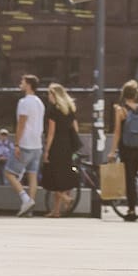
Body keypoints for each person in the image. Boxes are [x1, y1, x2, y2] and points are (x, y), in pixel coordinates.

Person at [111, 80, 138, 217]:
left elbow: (117, 132)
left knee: (128, 178)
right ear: (136, 94)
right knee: (133, 177)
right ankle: (132, 206)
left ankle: (131, 209)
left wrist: (112, 151)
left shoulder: (121, 110)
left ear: (123, 94)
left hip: (126, 148)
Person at [40, 82, 82, 217]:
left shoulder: (53, 110)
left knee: (51, 178)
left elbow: (51, 133)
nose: (48, 96)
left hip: (56, 146)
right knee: (61, 178)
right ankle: (56, 211)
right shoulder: (69, 109)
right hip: (67, 146)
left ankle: (65, 199)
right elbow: (76, 128)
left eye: (49, 94)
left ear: (54, 95)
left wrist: (47, 150)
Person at [11, 75, 46, 216]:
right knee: (32, 175)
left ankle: (25, 198)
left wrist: (17, 143)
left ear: (29, 85)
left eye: (23, 82)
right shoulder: (39, 102)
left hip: (26, 143)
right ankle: (30, 206)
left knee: (9, 172)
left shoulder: (24, 102)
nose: (20, 84)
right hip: (37, 143)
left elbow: (21, 123)